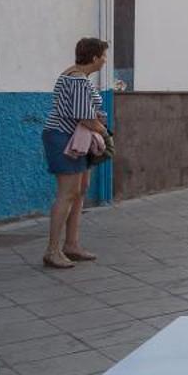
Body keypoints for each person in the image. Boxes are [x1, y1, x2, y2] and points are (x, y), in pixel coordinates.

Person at [41, 37, 110, 271]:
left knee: (79, 191)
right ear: (93, 58)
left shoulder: (71, 75)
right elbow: (85, 116)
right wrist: (105, 131)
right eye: (102, 56)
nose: (104, 61)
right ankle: (53, 250)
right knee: (68, 193)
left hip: (71, 138)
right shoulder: (78, 81)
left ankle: (71, 245)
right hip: (64, 138)